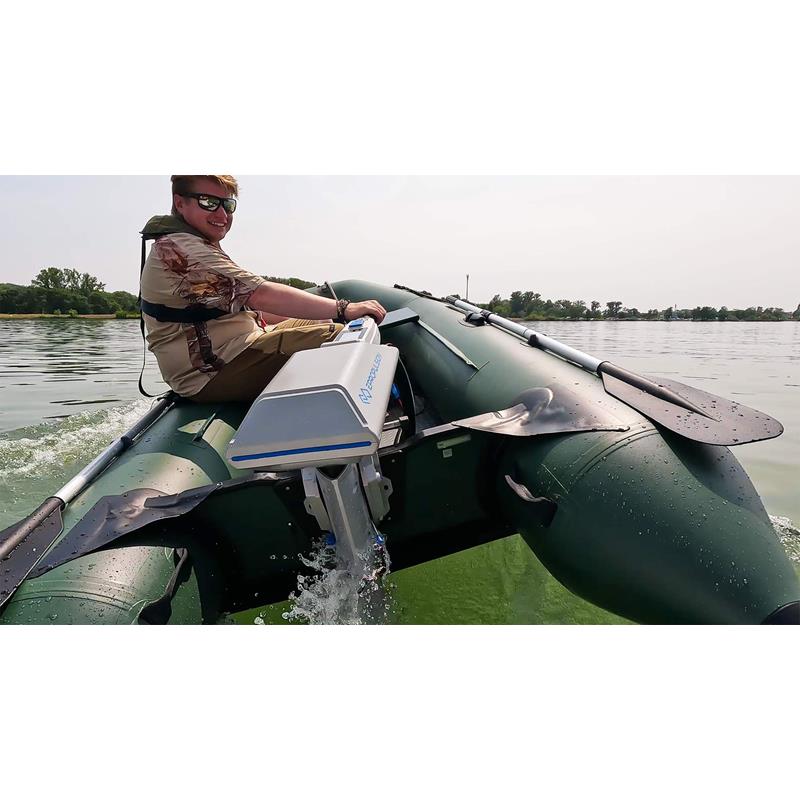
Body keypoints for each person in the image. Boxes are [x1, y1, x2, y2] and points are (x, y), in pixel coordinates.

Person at [140, 175, 386, 403]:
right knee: (336, 340)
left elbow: (241, 305)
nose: (222, 214)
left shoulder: (195, 243)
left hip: (238, 345)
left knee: (321, 320)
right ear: (180, 203)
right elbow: (261, 295)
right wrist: (344, 308)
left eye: (228, 205)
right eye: (208, 202)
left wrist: (313, 316)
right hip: (208, 372)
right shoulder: (183, 249)